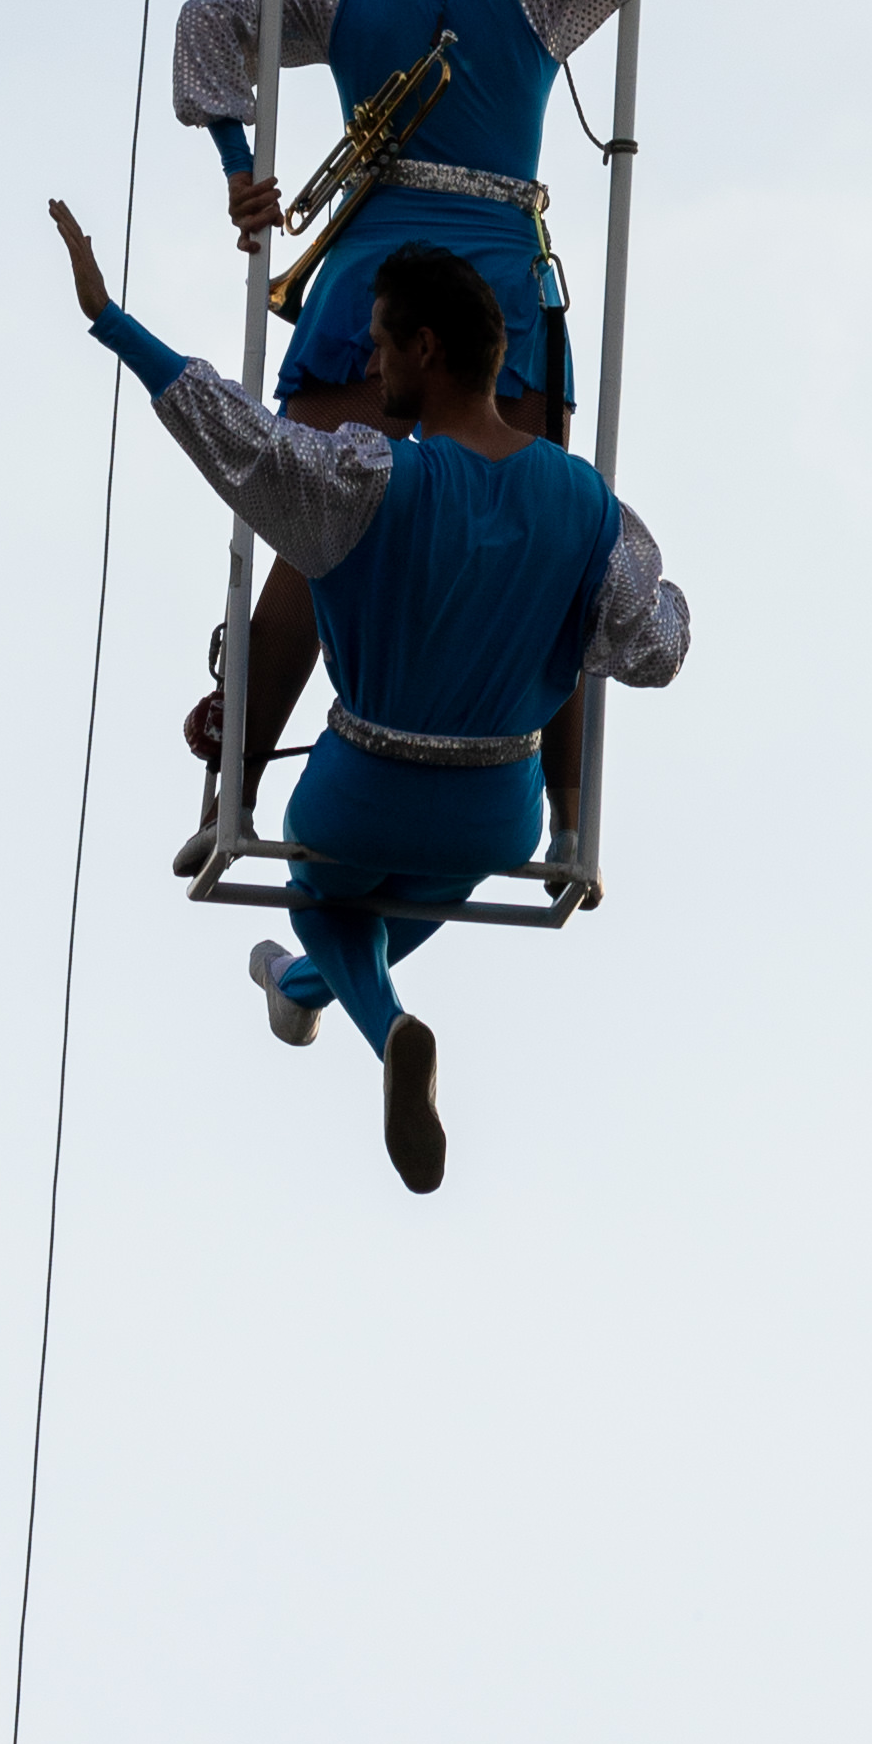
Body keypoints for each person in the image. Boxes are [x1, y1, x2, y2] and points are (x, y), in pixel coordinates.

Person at [169, 0, 872, 878]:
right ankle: (565, 821)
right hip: (498, 296)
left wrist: (238, 165)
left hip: (365, 294)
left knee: (310, 542)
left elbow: (212, 16)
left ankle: (234, 793)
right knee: (556, 550)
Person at [49, 195, 686, 1195]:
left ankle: (383, 1026)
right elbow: (655, 649)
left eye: (381, 343)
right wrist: (624, 584)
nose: (372, 363)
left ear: (425, 348)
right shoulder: (585, 504)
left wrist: (109, 319)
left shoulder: (366, 480)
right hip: (493, 816)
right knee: (376, 915)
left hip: (362, 796)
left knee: (323, 896)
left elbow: (234, 436)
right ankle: (299, 991)